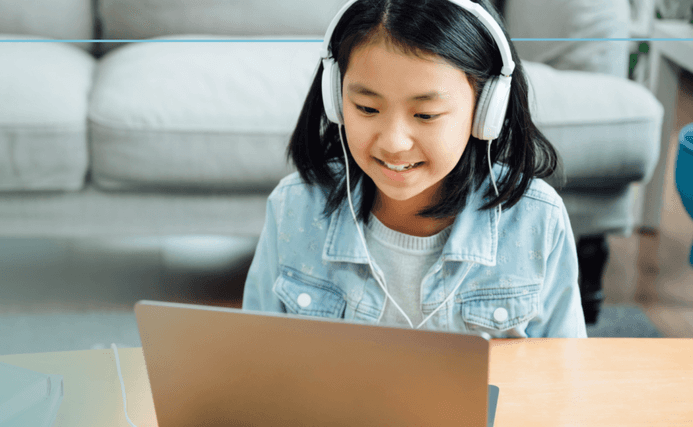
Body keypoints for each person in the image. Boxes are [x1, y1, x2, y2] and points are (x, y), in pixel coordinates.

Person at [242, 0, 587, 338]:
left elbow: (561, 380)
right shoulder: (294, 207)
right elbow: (254, 362)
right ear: (335, 99)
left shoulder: (536, 220)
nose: (393, 142)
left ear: (486, 112)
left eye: (426, 115)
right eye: (366, 108)